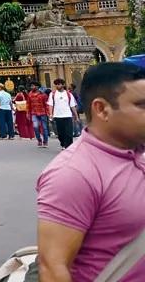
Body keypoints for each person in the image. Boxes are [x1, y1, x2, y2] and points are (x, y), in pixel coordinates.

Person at [36, 62, 145, 282]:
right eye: (141, 105)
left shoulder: (137, 153)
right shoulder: (73, 174)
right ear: (102, 109)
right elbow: (53, 269)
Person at [49, 78, 79, 149]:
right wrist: (51, 114)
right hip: (58, 116)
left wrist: (76, 116)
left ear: (63, 85)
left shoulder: (69, 94)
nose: (57, 86)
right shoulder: (52, 94)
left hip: (68, 116)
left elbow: (72, 106)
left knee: (69, 133)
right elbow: (50, 105)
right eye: (56, 84)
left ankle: (69, 147)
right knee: (60, 133)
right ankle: (63, 143)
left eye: (59, 84)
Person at [29, 83, 51, 148]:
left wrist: (48, 113)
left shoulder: (43, 95)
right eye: (31, 86)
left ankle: (45, 141)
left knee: (44, 128)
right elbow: (28, 104)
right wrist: (28, 113)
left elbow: (46, 104)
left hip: (43, 113)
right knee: (35, 127)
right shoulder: (30, 94)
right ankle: (39, 140)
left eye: (33, 86)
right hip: (34, 113)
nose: (31, 87)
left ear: (37, 86)